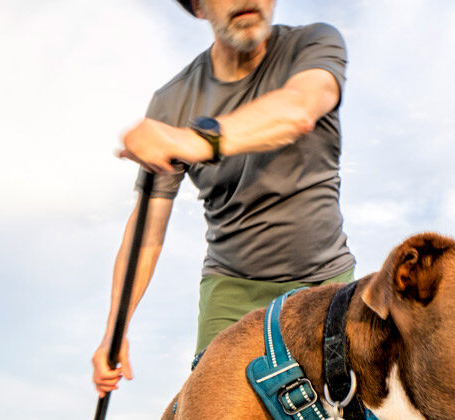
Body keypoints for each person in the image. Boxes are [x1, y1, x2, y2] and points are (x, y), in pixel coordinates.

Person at [92, 0, 354, 396]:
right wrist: (115, 331)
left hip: (325, 285)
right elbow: (146, 234)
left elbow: (298, 110)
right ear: (198, 7)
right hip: (231, 293)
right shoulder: (173, 101)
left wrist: (188, 140)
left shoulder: (314, 44)